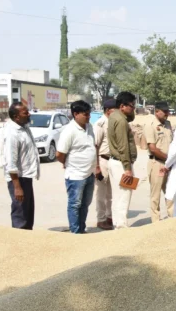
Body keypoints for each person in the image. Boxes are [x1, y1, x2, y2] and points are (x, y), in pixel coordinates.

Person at [56, 100, 97, 234]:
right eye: (85, 114)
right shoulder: (69, 131)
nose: (88, 116)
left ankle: (81, 228)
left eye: (89, 114)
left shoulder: (89, 127)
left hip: (89, 174)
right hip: (75, 176)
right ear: (75, 114)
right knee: (75, 204)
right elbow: (59, 154)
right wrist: (66, 163)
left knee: (85, 204)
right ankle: (75, 232)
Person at [0, 103, 40, 230]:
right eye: (25, 113)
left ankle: (27, 241)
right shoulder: (12, 133)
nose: (29, 114)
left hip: (26, 177)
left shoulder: (24, 127)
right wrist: (17, 187)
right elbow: (11, 163)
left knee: (28, 213)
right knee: (20, 214)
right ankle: (18, 244)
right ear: (16, 117)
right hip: (18, 179)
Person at [108, 91, 138, 229]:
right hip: (122, 164)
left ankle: (117, 223)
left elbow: (131, 118)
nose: (133, 109)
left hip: (116, 162)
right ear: (122, 106)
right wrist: (127, 169)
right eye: (131, 106)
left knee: (117, 195)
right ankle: (121, 226)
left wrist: (131, 110)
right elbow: (123, 146)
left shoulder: (115, 116)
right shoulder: (120, 121)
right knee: (124, 195)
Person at [145, 102, 174, 223]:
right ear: (157, 111)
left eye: (168, 111)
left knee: (171, 192)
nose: (167, 114)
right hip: (157, 163)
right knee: (155, 195)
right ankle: (156, 221)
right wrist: (168, 159)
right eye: (164, 111)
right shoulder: (150, 125)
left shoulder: (168, 124)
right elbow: (153, 148)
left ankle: (173, 218)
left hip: (169, 164)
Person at [93, 98, 117, 230]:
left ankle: (109, 216)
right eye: (115, 110)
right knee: (101, 193)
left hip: (112, 161)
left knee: (110, 193)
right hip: (102, 161)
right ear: (108, 111)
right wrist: (96, 167)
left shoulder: (113, 122)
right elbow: (95, 146)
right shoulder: (100, 124)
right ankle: (101, 219)